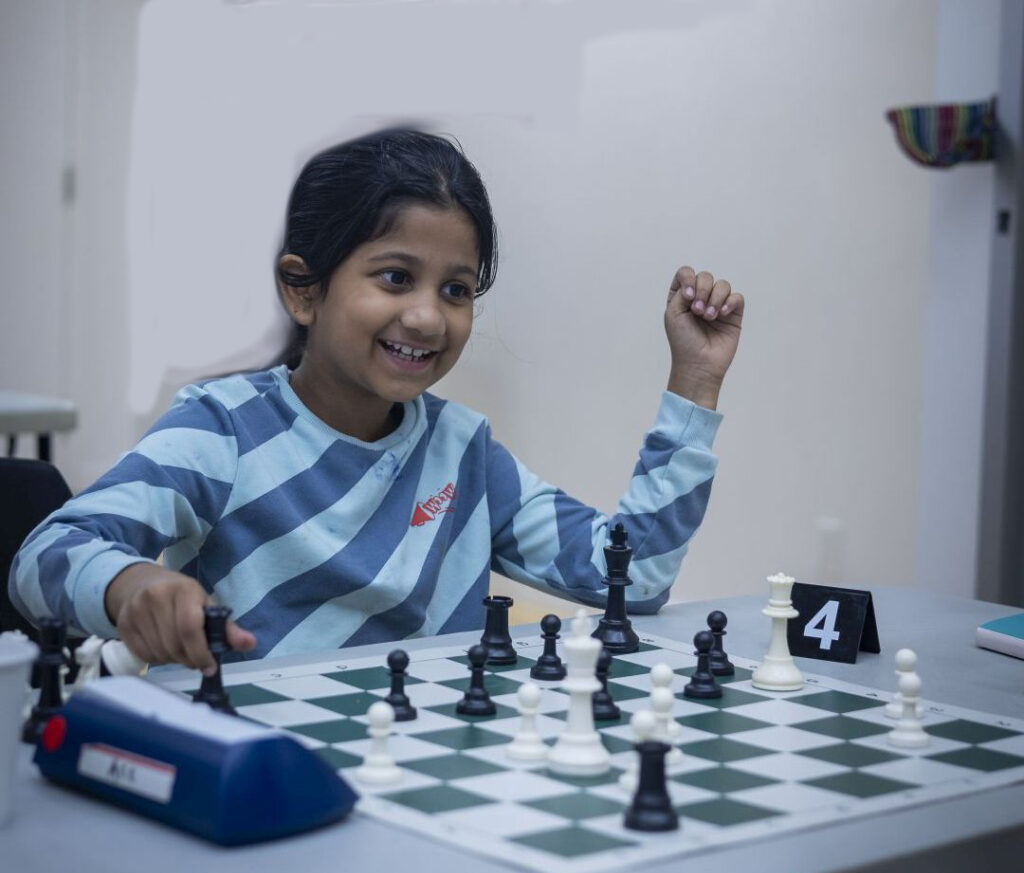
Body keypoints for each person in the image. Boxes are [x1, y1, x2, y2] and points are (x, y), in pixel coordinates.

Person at [9, 126, 744, 678]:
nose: (428, 317)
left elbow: (634, 578)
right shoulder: (222, 430)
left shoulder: (467, 456)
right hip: (260, 774)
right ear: (304, 288)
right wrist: (131, 583)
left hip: (418, 774)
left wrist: (695, 382)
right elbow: (43, 554)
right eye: (395, 277)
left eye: (456, 289)